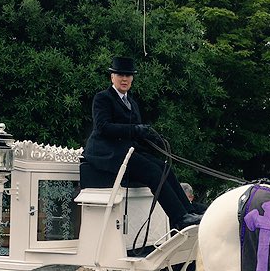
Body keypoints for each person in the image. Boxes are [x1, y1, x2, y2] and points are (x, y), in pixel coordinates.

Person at [82, 57, 202, 230]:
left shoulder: (132, 103)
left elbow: (135, 134)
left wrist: (149, 137)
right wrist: (134, 130)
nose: (124, 79)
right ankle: (178, 218)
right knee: (152, 171)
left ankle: (188, 211)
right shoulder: (103, 98)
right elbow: (103, 127)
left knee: (164, 166)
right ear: (112, 77)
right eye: (121, 75)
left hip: (126, 151)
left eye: (128, 76)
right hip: (106, 153)